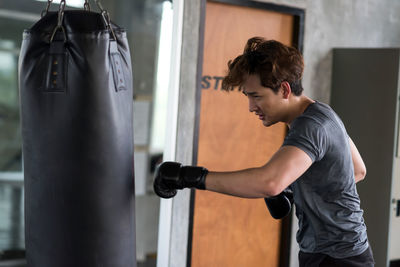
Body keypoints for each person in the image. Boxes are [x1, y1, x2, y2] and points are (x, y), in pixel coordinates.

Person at [153, 37, 375, 267]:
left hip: (336, 258)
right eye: (248, 96)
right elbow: (358, 170)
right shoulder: (322, 113)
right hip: (343, 252)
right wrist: (295, 186)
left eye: (256, 96)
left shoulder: (311, 126)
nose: (251, 107)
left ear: (285, 89)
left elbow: (270, 183)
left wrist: (187, 176)